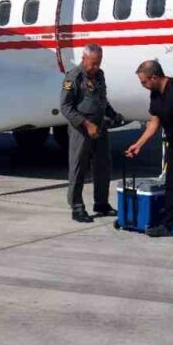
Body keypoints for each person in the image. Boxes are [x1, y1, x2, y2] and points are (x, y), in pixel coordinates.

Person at [125, 60, 173, 238]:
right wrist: (139, 144)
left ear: (154, 77)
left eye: (144, 82)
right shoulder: (155, 94)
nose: (143, 86)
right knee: (172, 185)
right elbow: (155, 122)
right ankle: (170, 224)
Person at [60, 44, 124, 223]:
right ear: (84, 59)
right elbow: (66, 107)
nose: (95, 67)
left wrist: (112, 114)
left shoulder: (99, 75)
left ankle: (101, 203)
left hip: (99, 126)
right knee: (78, 167)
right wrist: (87, 124)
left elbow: (101, 99)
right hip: (81, 128)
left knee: (103, 165)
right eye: (93, 64)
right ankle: (77, 207)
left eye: (98, 63)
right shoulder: (73, 77)